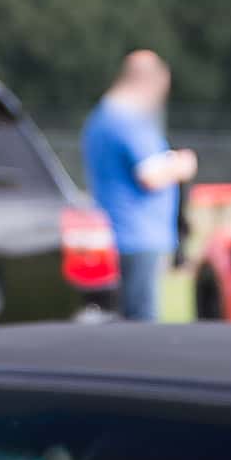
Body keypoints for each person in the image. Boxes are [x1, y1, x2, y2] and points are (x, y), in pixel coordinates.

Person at [81, 51, 195, 322]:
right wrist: (181, 164)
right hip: (138, 235)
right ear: (150, 82)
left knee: (121, 318)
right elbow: (150, 175)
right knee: (142, 324)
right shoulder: (127, 119)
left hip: (117, 233)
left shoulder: (100, 117)